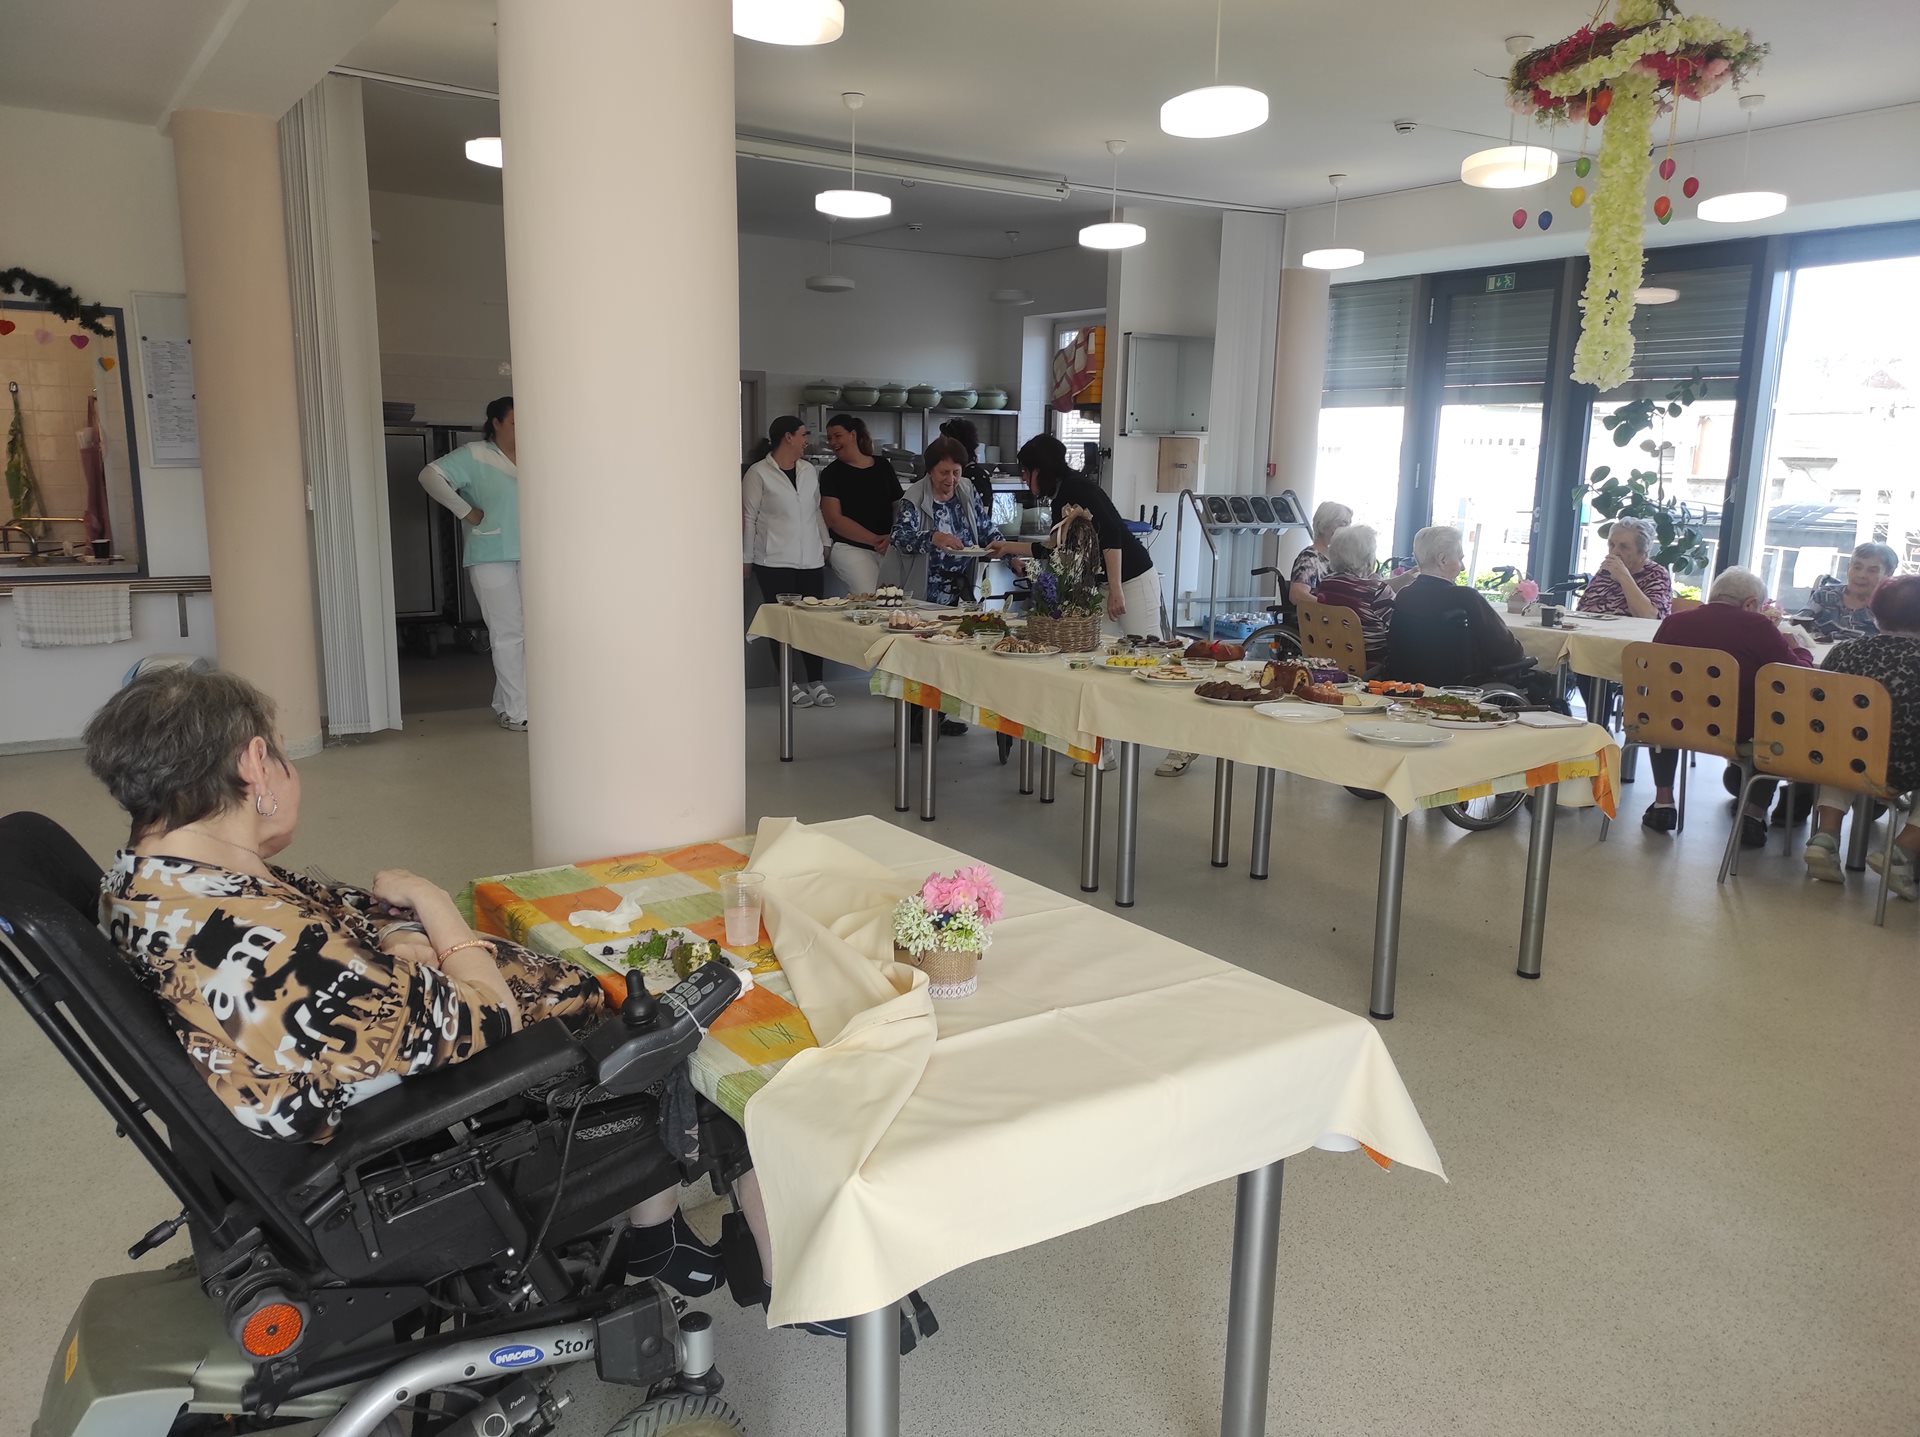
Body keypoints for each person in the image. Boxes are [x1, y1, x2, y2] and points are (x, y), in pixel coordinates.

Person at [80, 666, 765, 1299]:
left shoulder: (160, 884)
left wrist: (399, 940)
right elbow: (489, 1013)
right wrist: (435, 907)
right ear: (254, 762)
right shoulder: (262, 948)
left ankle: (655, 1234)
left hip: (393, 1061)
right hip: (470, 1098)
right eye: (281, 753)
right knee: (698, 1032)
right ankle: (777, 1270)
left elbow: (345, 915)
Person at [990, 434, 1170, 772]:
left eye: (1026, 472)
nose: (1024, 479)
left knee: (1153, 663)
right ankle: (1103, 750)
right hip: (1104, 585)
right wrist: (1008, 547)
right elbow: (1054, 547)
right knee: (1100, 666)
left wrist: (1115, 589)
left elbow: (1112, 533)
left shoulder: (1078, 489)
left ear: (1040, 469)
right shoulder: (1061, 495)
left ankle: (1183, 746)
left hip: (1131, 580)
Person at [1635, 566, 1814, 841]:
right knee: (1777, 722)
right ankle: (1753, 815)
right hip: (1739, 730)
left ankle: (1663, 803)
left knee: (1665, 707)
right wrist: (1801, 650)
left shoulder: (1674, 622)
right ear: (1750, 604)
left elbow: (1653, 672)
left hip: (1675, 724)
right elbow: (1796, 676)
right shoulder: (1759, 627)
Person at [1803, 575, 1920, 895]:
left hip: (1839, 757)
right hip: (1906, 768)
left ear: (1874, 612)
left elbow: (1821, 709)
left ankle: (1825, 837)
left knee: (1843, 739)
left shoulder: (1844, 652)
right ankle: (1902, 851)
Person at [416, 396, 527, 732]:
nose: (522, 429)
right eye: (514, 422)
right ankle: (519, 711)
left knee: (528, 634)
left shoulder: (534, 454)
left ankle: (505, 704)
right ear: (496, 423)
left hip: (532, 554)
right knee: (508, 633)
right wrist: (465, 511)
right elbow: (429, 476)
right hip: (491, 554)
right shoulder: (475, 454)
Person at [743, 415, 835, 710]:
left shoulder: (809, 471)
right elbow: (748, 518)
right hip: (773, 560)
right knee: (782, 624)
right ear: (788, 437)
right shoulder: (758, 473)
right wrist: (746, 558)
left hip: (810, 560)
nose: (807, 440)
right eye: (803, 434)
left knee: (813, 623)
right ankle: (789, 682)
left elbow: (815, 510)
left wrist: (825, 542)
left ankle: (816, 681)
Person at [1386, 525, 1529, 686]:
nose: (1463, 567)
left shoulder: (1405, 595)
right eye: (1460, 559)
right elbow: (1508, 651)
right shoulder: (1466, 597)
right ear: (1443, 560)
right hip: (1460, 689)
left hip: (1408, 687)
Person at [892, 435, 993, 609]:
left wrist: (1010, 555)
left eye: (956, 472)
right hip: (922, 592)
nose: (951, 479)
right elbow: (898, 537)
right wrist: (933, 538)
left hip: (960, 589)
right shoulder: (915, 497)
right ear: (930, 471)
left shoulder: (967, 489)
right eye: (944, 473)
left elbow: (985, 528)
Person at [818, 413, 902, 597]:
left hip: (887, 547)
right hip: (849, 548)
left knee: (894, 598)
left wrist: (893, 536)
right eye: (830, 438)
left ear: (853, 435)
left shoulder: (882, 466)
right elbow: (834, 519)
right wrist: (874, 540)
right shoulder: (831, 474)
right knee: (871, 596)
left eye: (838, 436)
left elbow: (899, 506)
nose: (833, 442)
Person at [1314, 524, 1397, 665]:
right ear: (1367, 558)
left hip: (1332, 660)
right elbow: (1398, 625)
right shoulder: (1377, 590)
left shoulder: (1326, 584)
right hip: (1371, 662)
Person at [1796, 541, 1899, 640]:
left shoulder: (1890, 608)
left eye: (1872, 571)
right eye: (1857, 567)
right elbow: (1796, 626)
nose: (1861, 575)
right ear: (1848, 568)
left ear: (1888, 574)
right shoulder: (1825, 596)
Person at [1578, 516, 1673, 619]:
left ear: (1642, 553)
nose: (1614, 552)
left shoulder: (1656, 574)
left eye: (1624, 547)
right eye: (1611, 545)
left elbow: (1651, 617)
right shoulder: (1606, 571)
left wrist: (1623, 577)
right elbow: (1581, 610)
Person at [1288, 501, 1354, 609]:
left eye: (1349, 525)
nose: (1348, 530)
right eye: (1343, 524)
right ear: (1324, 524)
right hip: (1321, 616)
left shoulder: (1339, 559)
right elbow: (1296, 595)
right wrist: (1333, 609)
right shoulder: (1310, 558)